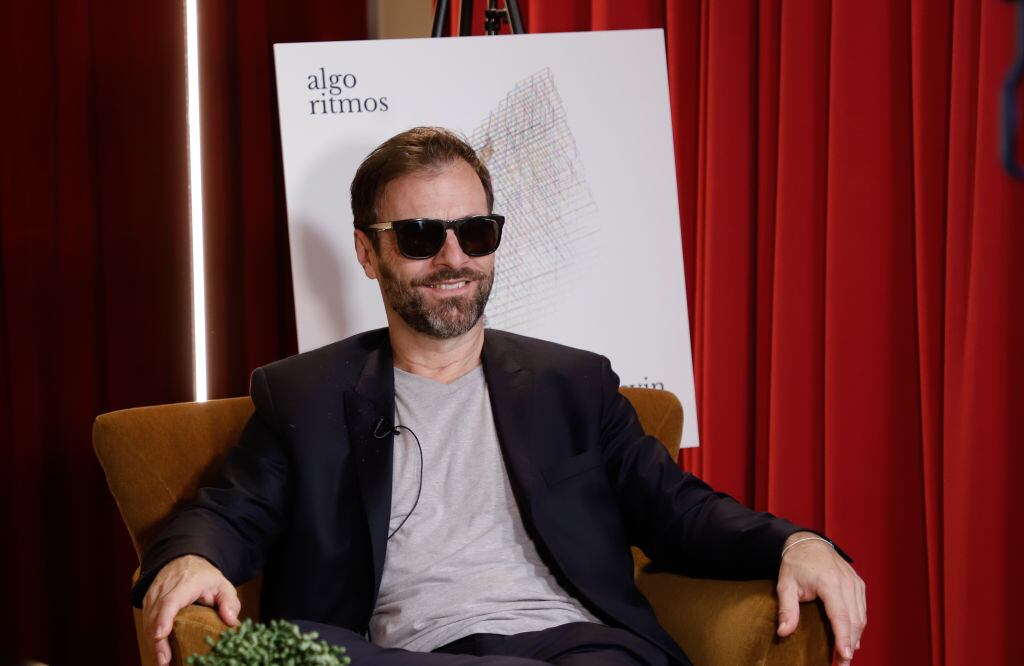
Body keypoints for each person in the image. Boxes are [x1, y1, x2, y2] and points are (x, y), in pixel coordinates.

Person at [133, 127, 866, 666]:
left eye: (475, 232)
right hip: (407, 654)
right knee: (296, 650)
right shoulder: (306, 397)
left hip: (577, 648)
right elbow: (225, 514)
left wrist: (797, 543)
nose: (454, 258)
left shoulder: (573, 385)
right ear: (369, 251)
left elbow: (680, 511)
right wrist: (192, 558)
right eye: (420, 237)